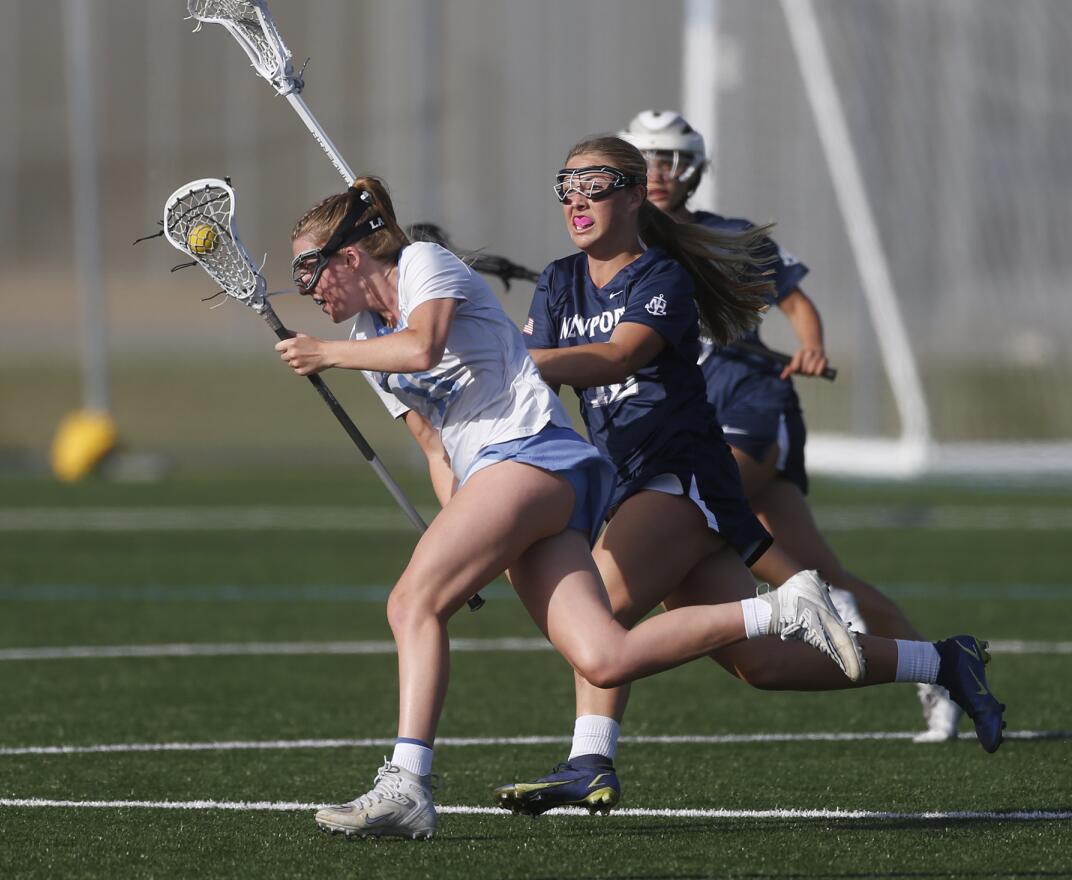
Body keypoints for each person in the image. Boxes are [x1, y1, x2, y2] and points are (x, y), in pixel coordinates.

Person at [276, 176, 864, 840]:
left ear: (351, 257)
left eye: (308, 269)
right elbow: (436, 446)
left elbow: (424, 347)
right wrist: (466, 528)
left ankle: (407, 784)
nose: (307, 289)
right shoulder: (366, 343)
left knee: (410, 603)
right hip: (505, 484)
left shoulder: (422, 265)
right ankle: (782, 608)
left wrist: (327, 354)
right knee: (604, 656)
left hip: (530, 455)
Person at [492, 136, 1005, 818]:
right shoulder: (559, 280)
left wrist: (515, 364)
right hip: (632, 480)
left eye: (598, 183)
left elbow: (618, 358)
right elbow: (535, 387)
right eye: (567, 185)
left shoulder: (662, 277)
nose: (579, 200)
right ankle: (943, 661)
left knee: (603, 621)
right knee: (759, 666)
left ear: (635, 194)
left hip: (682, 477)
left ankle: (590, 762)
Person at [619, 109, 962, 742]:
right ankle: (938, 668)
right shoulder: (622, 247)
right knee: (826, 578)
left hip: (748, 411)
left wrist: (810, 344)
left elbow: (797, 303)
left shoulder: (732, 236)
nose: (661, 173)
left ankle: (595, 742)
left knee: (672, 523)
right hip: (696, 418)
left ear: (692, 168)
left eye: (671, 159)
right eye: (649, 160)